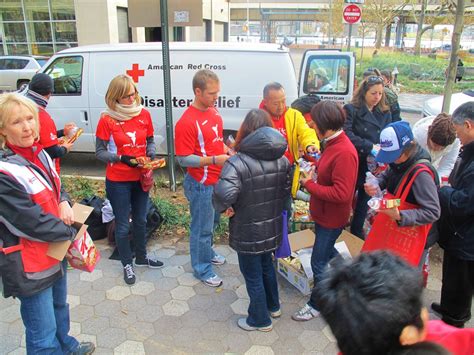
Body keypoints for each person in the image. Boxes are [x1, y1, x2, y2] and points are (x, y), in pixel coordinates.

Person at [0, 93, 95, 354]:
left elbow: (55, 186)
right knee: (41, 335)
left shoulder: (39, 153)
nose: (27, 126)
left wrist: (64, 200)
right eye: (17, 122)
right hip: (29, 263)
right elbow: (31, 221)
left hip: (55, 249)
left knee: (59, 307)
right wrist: (72, 230)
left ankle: (67, 345)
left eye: (30, 118)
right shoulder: (4, 171)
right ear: (3, 131)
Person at [213, 109, 291, 332]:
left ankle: (259, 320)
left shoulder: (237, 162)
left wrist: (224, 207)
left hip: (247, 229)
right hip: (272, 227)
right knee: (267, 265)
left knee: (252, 274)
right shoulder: (283, 160)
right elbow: (286, 194)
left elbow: (223, 195)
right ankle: (273, 306)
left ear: (245, 131)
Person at [314, 251, 474, 355]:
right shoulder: (453, 341)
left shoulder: (353, 343)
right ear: (409, 335)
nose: (425, 312)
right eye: (419, 305)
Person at [291, 101, 359, 321]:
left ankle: (317, 304)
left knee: (318, 262)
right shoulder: (331, 143)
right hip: (323, 214)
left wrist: (310, 185)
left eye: (314, 123)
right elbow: (329, 169)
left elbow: (342, 193)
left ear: (324, 125)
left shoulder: (344, 151)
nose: (311, 126)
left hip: (332, 217)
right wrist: (315, 161)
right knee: (328, 250)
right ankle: (349, 281)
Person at [95, 74, 163, 285]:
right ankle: (127, 263)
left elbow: (150, 139)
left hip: (141, 176)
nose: (131, 99)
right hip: (118, 180)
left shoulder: (143, 114)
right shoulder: (107, 119)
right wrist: (122, 159)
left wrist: (150, 153)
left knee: (141, 220)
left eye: (133, 94)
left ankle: (141, 258)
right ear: (115, 97)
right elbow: (99, 152)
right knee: (123, 225)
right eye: (126, 96)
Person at [175, 69, 230, 287]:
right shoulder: (186, 122)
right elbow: (183, 159)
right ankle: (202, 269)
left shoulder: (214, 112)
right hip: (201, 184)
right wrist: (215, 160)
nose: (216, 97)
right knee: (201, 228)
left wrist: (228, 150)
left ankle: (207, 252)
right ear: (198, 92)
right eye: (212, 93)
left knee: (213, 222)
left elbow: (216, 141)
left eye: (218, 92)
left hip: (217, 181)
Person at [364, 121, 440, 264]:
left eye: (393, 156)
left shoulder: (421, 174)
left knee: (404, 280)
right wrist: (377, 183)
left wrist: (401, 216)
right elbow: (388, 174)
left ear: (407, 150)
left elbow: (433, 211)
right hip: (395, 226)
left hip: (412, 236)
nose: (390, 161)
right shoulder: (398, 161)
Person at [432, 102, 474, 328]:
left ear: (468, 125)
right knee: (452, 273)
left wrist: (444, 191)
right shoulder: (469, 149)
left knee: (462, 278)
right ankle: (448, 307)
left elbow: (463, 202)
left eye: (458, 131)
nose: (457, 137)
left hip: (467, 234)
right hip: (458, 231)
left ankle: (456, 319)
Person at [344, 75, 393, 239]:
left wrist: (383, 150)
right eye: (373, 93)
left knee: (364, 201)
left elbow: (388, 134)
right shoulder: (351, 109)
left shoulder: (384, 112)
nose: (377, 97)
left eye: (380, 94)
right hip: (355, 160)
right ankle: (341, 227)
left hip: (374, 164)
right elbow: (347, 134)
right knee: (347, 197)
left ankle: (356, 234)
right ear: (364, 92)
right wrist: (370, 146)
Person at [259, 82, 319, 201]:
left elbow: (306, 132)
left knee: (286, 205)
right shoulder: (259, 117)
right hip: (266, 172)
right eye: (276, 103)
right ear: (265, 102)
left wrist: (310, 144)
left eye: (283, 101)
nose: (281, 106)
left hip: (287, 170)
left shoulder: (294, 115)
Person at [25, 73, 77, 174]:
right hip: (46, 171)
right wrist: (65, 148)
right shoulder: (41, 115)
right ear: (49, 93)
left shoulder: (25, 108)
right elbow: (52, 152)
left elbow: (40, 138)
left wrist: (62, 132)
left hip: (31, 168)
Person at [413, 113, 461, 183]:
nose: (437, 149)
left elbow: (447, 164)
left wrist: (436, 181)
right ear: (428, 132)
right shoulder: (417, 136)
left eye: (442, 148)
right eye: (435, 145)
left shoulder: (455, 140)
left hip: (434, 168)